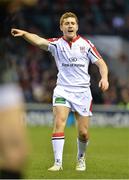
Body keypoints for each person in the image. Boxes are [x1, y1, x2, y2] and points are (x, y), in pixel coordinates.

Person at [11, 12, 109, 171]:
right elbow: (38, 40)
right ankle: (58, 163)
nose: (70, 25)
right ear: (61, 27)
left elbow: (101, 64)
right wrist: (24, 34)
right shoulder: (56, 44)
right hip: (63, 90)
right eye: (67, 23)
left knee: (83, 133)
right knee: (59, 123)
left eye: (72, 23)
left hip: (83, 92)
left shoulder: (86, 44)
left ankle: (81, 158)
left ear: (77, 26)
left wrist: (104, 78)